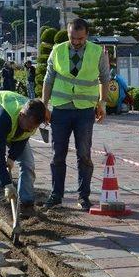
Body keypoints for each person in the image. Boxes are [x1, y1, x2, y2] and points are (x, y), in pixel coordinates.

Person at [42, 18, 109, 211]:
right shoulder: (57, 50)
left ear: (87, 35)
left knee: (84, 155)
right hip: (61, 110)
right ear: (68, 33)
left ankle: (84, 196)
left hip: (85, 111)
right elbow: (48, 79)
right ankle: (56, 195)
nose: (76, 41)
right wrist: (44, 105)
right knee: (57, 155)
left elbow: (104, 79)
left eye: (80, 38)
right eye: (72, 37)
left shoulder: (98, 53)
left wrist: (102, 103)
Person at [0, 91, 46, 227]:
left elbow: (23, 138)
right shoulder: (3, 118)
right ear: (22, 115)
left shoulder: (32, 121)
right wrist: (7, 184)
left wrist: (12, 158)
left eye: (34, 127)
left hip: (12, 129)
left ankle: (26, 205)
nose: (31, 129)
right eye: (30, 126)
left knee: (28, 162)